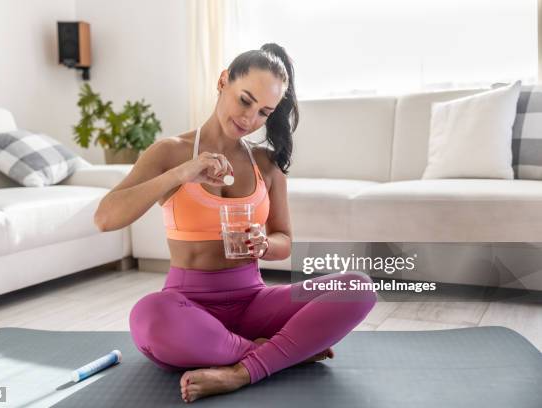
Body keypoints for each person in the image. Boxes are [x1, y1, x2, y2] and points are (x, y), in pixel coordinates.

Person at [94, 43, 378, 404]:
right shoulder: (170, 153)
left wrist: (263, 244)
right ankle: (278, 353)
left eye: (263, 112)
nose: (250, 118)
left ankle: (241, 370)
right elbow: (105, 217)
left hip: (254, 302)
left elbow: (284, 241)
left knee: (359, 287)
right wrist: (182, 173)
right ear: (223, 81)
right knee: (149, 315)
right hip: (188, 307)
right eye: (245, 100)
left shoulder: (267, 164)